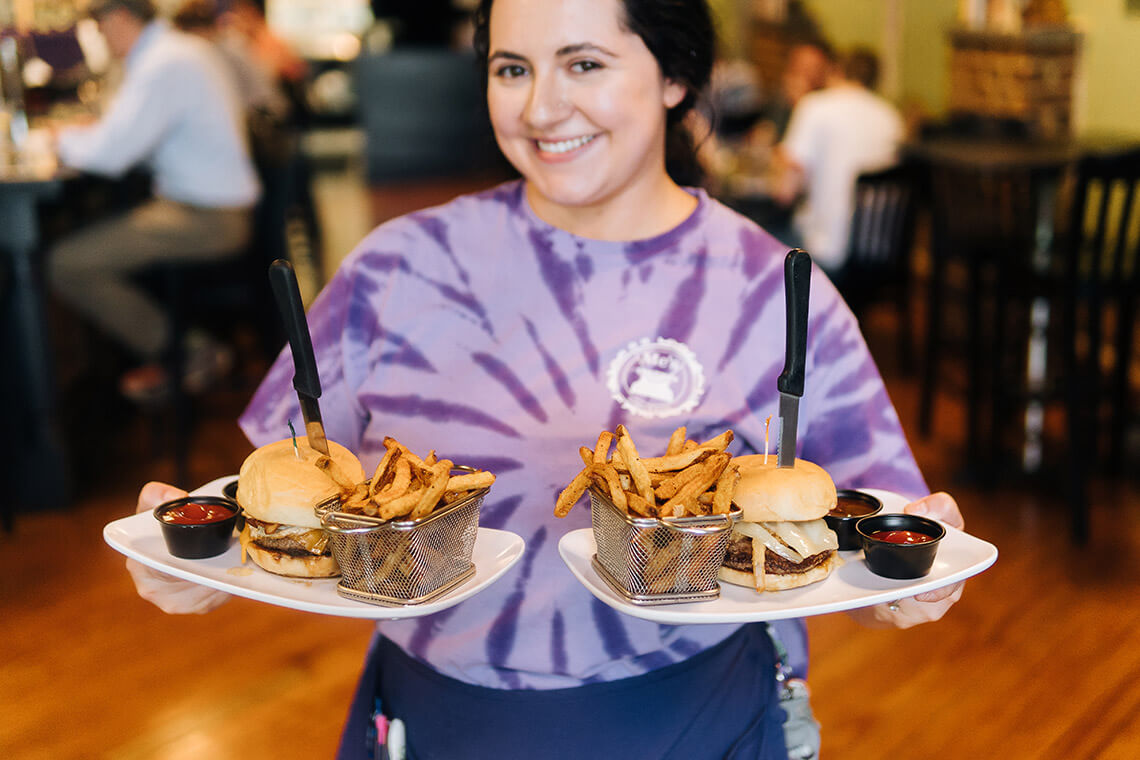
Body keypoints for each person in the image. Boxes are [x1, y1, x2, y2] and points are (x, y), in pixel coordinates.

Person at [126, 1, 965, 758]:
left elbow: (866, 532)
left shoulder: (766, 288)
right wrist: (192, 566)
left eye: (585, 63)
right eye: (512, 69)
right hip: (441, 720)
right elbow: (279, 506)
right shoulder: (396, 266)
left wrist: (907, 586)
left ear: (674, 76)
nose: (540, 108)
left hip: (692, 722)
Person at [48, 0, 259, 401]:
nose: (98, 33)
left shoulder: (164, 62)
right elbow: (129, 137)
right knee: (94, 235)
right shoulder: (176, 51)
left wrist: (56, 139)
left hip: (209, 217)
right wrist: (95, 135)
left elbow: (111, 154)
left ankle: (190, 353)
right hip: (213, 206)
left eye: (99, 23)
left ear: (121, 17)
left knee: (66, 263)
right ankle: (161, 355)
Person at [772, 47, 905, 278]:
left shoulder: (815, 106)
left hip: (824, 253)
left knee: (762, 235)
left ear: (836, 71)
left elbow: (784, 193)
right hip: (880, 252)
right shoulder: (893, 118)